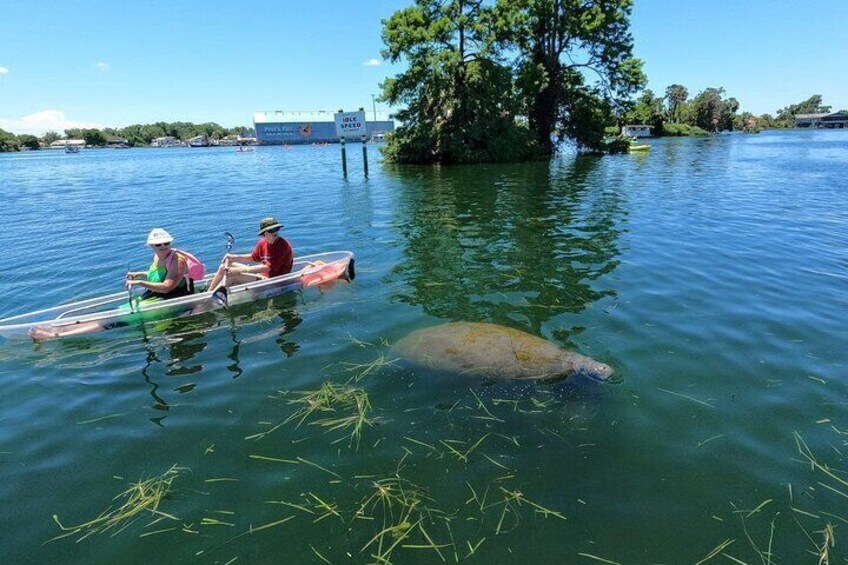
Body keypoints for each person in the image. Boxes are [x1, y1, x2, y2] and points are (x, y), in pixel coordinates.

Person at [206, 216, 294, 294]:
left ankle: (210, 299)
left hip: (274, 282)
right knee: (224, 266)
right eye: (272, 233)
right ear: (265, 233)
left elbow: (267, 267)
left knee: (233, 277)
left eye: (277, 232)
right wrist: (233, 257)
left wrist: (240, 270)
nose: (275, 235)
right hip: (262, 276)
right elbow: (253, 257)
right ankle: (208, 294)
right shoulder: (262, 243)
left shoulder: (283, 246)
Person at [126, 228, 195, 299]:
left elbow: (167, 287)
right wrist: (137, 275)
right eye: (158, 244)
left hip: (176, 297)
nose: (163, 246)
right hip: (158, 294)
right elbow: (159, 275)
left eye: (166, 243)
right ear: (151, 245)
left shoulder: (177, 261)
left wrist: (140, 283)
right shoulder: (157, 257)